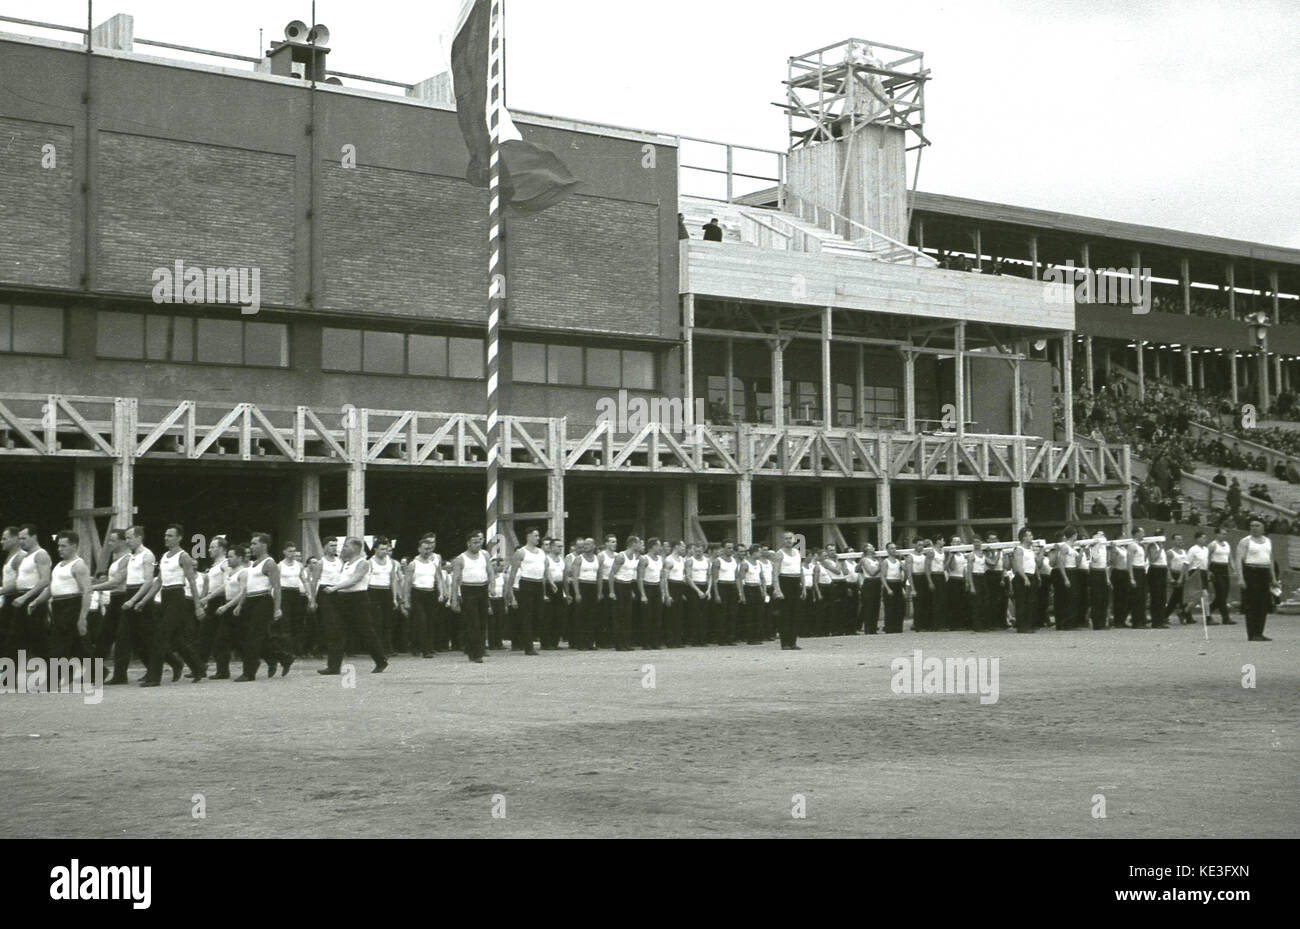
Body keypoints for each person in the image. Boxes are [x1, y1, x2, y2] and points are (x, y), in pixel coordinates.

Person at [140, 524, 207, 686]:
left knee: (160, 636)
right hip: (165, 596)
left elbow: (191, 581)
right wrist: (144, 600)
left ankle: (153, 678)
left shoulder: (183, 556)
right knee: (176, 639)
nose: (166, 538)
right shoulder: (164, 556)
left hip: (178, 597)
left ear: (179, 538)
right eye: (165, 535)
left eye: (170, 535)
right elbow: (159, 581)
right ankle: (198, 668)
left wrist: (198, 606)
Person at [317, 537, 387, 675]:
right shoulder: (346, 563)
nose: (343, 548)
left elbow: (354, 580)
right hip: (343, 599)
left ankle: (381, 660)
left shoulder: (363, 563)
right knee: (337, 632)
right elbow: (343, 579)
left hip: (358, 599)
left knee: (366, 632)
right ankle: (334, 666)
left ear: (355, 548)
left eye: (346, 546)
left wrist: (334, 588)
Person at [236, 532, 291, 681]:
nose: (251, 547)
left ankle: (249, 672)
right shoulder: (253, 564)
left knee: (253, 637)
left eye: (254, 544)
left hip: (263, 600)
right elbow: (248, 587)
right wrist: (240, 604)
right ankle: (284, 658)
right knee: (259, 637)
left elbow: (277, 587)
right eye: (251, 543)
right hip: (251, 600)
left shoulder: (269, 563)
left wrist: (277, 608)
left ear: (264, 545)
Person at [35, 531, 92, 670]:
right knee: (77, 644)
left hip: (72, 604)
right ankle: (98, 672)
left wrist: (83, 617)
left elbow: (87, 591)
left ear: (74, 546)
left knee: (57, 641)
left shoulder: (79, 566)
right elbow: (51, 589)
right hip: (58, 605)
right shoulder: (58, 565)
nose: (59, 549)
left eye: (63, 546)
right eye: (59, 546)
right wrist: (36, 602)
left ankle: (53, 677)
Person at [448, 531, 492, 663]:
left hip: (482, 588)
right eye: (474, 542)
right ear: (468, 544)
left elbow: (490, 571)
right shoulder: (460, 559)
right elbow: (455, 580)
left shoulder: (485, 555)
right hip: (468, 590)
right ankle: (475, 653)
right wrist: (454, 599)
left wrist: (492, 586)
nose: (477, 545)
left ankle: (477, 648)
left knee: (483, 621)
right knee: (473, 622)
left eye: (479, 542)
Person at [11, 524, 52, 662]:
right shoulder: (24, 557)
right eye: (19, 538)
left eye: (24, 538)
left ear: (34, 537)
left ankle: (60, 669)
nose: (21, 541)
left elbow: (45, 580)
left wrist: (25, 597)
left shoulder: (41, 554)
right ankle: (8, 676)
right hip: (21, 596)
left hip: (33, 598)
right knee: (17, 638)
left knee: (38, 638)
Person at [196, 536, 233, 679]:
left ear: (222, 549)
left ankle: (223, 670)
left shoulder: (225, 564)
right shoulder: (214, 565)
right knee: (205, 634)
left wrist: (208, 598)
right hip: (212, 601)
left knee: (220, 637)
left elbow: (226, 584)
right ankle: (200, 666)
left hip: (220, 600)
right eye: (210, 547)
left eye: (213, 547)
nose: (209, 549)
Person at [506, 528, 546, 656]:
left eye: (538, 535)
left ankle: (530, 640)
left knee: (538, 615)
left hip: (538, 583)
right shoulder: (521, 552)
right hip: (526, 583)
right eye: (535, 535)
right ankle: (528, 646)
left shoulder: (541, 552)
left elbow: (543, 572)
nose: (538, 538)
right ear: (528, 536)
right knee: (527, 615)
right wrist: (510, 592)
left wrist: (545, 588)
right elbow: (512, 573)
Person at [1234, 520, 1275, 641]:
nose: (1254, 528)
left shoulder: (1268, 541)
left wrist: (1273, 578)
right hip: (1251, 572)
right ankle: (1252, 634)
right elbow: (1238, 559)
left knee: (1262, 604)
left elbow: (1271, 560)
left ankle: (1259, 632)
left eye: (1257, 526)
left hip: (1264, 572)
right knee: (1251, 603)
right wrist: (1240, 577)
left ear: (1263, 527)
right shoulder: (1245, 541)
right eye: (1252, 526)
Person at [607, 536, 642, 652]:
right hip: (619, 586)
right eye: (638, 543)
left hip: (627, 586)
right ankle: (619, 644)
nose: (640, 545)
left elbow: (631, 575)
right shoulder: (621, 556)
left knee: (627, 615)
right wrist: (612, 591)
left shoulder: (634, 557)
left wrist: (631, 590)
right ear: (633, 544)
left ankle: (626, 642)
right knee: (619, 615)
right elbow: (611, 574)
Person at [367, 538, 400, 654]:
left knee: (388, 621)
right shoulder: (370, 562)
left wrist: (394, 597)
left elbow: (393, 580)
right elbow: (366, 581)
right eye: (382, 549)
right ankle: (378, 647)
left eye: (386, 549)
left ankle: (388, 646)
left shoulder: (391, 562)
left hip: (386, 591)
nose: (384, 552)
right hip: (373, 590)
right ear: (375, 549)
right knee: (377, 620)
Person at [772, 532, 803, 649]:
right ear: (782, 540)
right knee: (785, 614)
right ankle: (785, 643)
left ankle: (793, 642)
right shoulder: (779, 554)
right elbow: (775, 572)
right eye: (786, 538)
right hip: (785, 582)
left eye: (790, 538)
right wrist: (777, 589)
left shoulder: (797, 552)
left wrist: (803, 587)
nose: (788, 540)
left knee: (795, 613)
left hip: (796, 582)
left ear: (794, 539)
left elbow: (800, 570)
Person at [279, 543, 308, 657]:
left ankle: (298, 650)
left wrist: (309, 595)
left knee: (298, 621)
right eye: (290, 551)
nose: (292, 554)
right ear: (284, 552)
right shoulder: (280, 566)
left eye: (294, 551)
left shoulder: (299, 565)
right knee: (286, 622)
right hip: (284, 593)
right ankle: (287, 650)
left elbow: (305, 580)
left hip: (296, 593)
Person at [637, 538, 666, 649]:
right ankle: (646, 643)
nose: (660, 548)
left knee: (657, 616)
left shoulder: (660, 559)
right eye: (659, 545)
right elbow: (640, 578)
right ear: (653, 546)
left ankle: (655, 642)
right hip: (647, 587)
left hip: (656, 587)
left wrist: (663, 592)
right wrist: (643, 594)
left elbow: (662, 577)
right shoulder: (644, 559)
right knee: (647, 617)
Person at [711, 540, 740, 645]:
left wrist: (739, 591)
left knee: (732, 613)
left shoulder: (734, 561)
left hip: (732, 586)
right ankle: (721, 638)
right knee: (722, 614)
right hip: (722, 586)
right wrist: (717, 594)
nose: (730, 550)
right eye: (728, 548)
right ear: (723, 548)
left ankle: (730, 638)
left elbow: (737, 577)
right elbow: (714, 579)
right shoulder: (717, 561)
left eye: (732, 548)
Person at [684, 541, 711, 647]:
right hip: (694, 588)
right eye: (696, 550)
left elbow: (709, 576)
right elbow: (688, 577)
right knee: (694, 614)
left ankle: (703, 639)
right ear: (693, 550)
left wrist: (708, 590)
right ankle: (694, 639)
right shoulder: (690, 561)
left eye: (700, 550)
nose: (698, 552)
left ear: (703, 550)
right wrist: (698, 591)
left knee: (703, 614)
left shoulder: (707, 561)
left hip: (704, 586)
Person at [1207, 527, 1235, 625]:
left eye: (1225, 534)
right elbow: (1207, 558)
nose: (1224, 535)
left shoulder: (1227, 544)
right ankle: (1226, 618)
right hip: (1215, 568)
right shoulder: (1212, 545)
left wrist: (1233, 568)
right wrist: (1208, 571)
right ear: (1217, 534)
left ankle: (1208, 611)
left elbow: (1230, 557)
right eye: (1222, 533)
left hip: (1224, 568)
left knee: (1224, 594)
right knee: (1221, 593)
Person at [1011, 529, 1036, 634]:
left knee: (1030, 602)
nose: (1031, 537)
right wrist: (1025, 578)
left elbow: (1033, 564)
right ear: (1023, 537)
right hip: (1022, 577)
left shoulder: (1030, 550)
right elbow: (1019, 566)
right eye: (1029, 536)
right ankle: (1021, 626)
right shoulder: (1019, 549)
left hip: (1031, 575)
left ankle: (1029, 625)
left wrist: (1036, 576)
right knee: (1022, 602)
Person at [662, 540, 686, 648]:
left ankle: (678, 640)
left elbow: (682, 576)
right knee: (671, 615)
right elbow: (664, 579)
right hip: (671, 586)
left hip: (679, 586)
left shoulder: (681, 559)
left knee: (679, 614)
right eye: (682, 547)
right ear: (676, 547)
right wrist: (667, 594)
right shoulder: (669, 560)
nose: (684, 549)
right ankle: (670, 640)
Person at [1126, 528, 1150, 629]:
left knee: (1142, 597)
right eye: (1142, 532)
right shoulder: (1132, 545)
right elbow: (1129, 562)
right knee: (1136, 597)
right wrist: (1131, 577)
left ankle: (1142, 620)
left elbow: (1143, 560)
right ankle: (1136, 621)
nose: (1143, 534)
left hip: (1141, 570)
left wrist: (1146, 548)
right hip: (1135, 571)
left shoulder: (1140, 546)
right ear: (1136, 534)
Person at [881, 542, 906, 633]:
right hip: (890, 583)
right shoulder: (886, 561)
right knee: (890, 607)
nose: (894, 550)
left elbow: (904, 572)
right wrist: (887, 588)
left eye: (895, 548)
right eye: (891, 548)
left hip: (898, 583)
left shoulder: (898, 562)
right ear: (887, 550)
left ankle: (898, 627)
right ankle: (889, 628)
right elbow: (883, 576)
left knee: (899, 606)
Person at [1146, 532, 1169, 629]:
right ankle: (1155, 621)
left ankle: (1161, 619)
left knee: (1162, 596)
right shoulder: (1153, 546)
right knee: (1156, 596)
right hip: (1155, 570)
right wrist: (1160, 549)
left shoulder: (1161, 547)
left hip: (1162, 570)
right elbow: (1153, 559)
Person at [860, 544, 882, 634]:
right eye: (871, 546)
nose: (874, 548)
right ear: (866, 549)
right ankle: (868, 629)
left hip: (877, 582)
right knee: (869, 606)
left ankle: (874, 627)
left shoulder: (875, 559)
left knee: (876, 605)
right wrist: (880, 566)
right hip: (869, 582)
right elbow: (871, 572)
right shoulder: (865, 560)